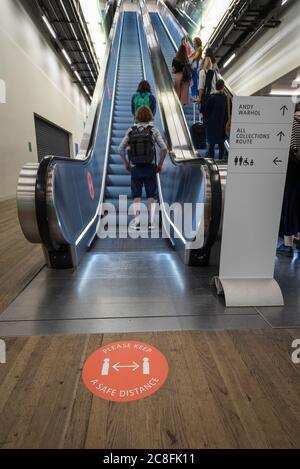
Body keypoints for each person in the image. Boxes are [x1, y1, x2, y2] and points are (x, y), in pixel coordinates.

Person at [119, 106, 167, 230]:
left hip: (135, 168)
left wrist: (126, 164)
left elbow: (120, 148)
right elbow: (164, 148)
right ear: (150, 116)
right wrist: (160, 164)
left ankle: (137, 221)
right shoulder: (153, 130)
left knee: (136, 195)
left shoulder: (131, 131)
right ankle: (151, 222)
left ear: (137, 116)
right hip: (150, 167)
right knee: (151, 194)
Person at [277, 103, 300, 256]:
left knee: (288, 203)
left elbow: (285, 146)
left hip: (291, 168)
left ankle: (287, 245)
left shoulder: (291, 123)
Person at [203, 79, 230, 159]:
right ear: (223, 87)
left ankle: (212, 162)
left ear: (216, 86)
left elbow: (206, 111)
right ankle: (221, 160)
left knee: (212, 144)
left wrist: (206, 123)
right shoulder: (226, 99)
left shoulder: (211, 98)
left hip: (212, 125)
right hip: (222, 125)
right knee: (221, 144)